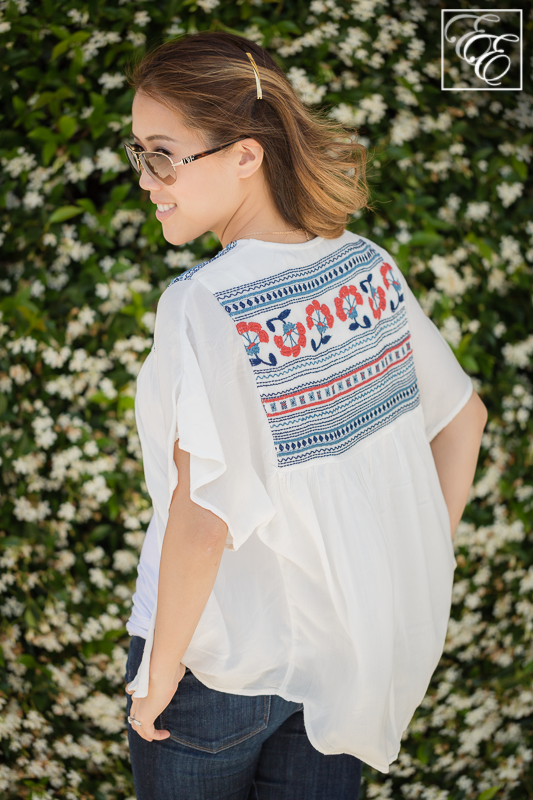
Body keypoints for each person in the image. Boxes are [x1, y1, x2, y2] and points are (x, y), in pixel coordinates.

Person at [120, 30, 487, 800]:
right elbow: (464, 419)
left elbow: (203, 516)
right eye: (139, 154)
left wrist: (158, 674)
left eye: (163, 154)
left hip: (211, 662)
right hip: (337, 656)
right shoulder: (364, 264)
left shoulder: (203, 304)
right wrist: (414, 563)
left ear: (245, 154)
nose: (148, 180)